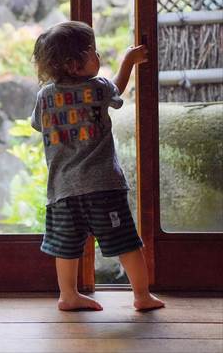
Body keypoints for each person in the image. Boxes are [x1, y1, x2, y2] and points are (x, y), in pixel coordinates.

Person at [30, 21, 164, 312]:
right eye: (92, 51)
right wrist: (129, 60)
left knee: (65, 246)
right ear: (73, 63)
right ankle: (141, 295)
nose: (98, 56)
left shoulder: (45, 96)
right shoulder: (98, 88)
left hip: (62, 189)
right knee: (126, 242)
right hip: (103, 185)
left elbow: (38, 125)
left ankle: (68, 294)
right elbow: (118, 88)